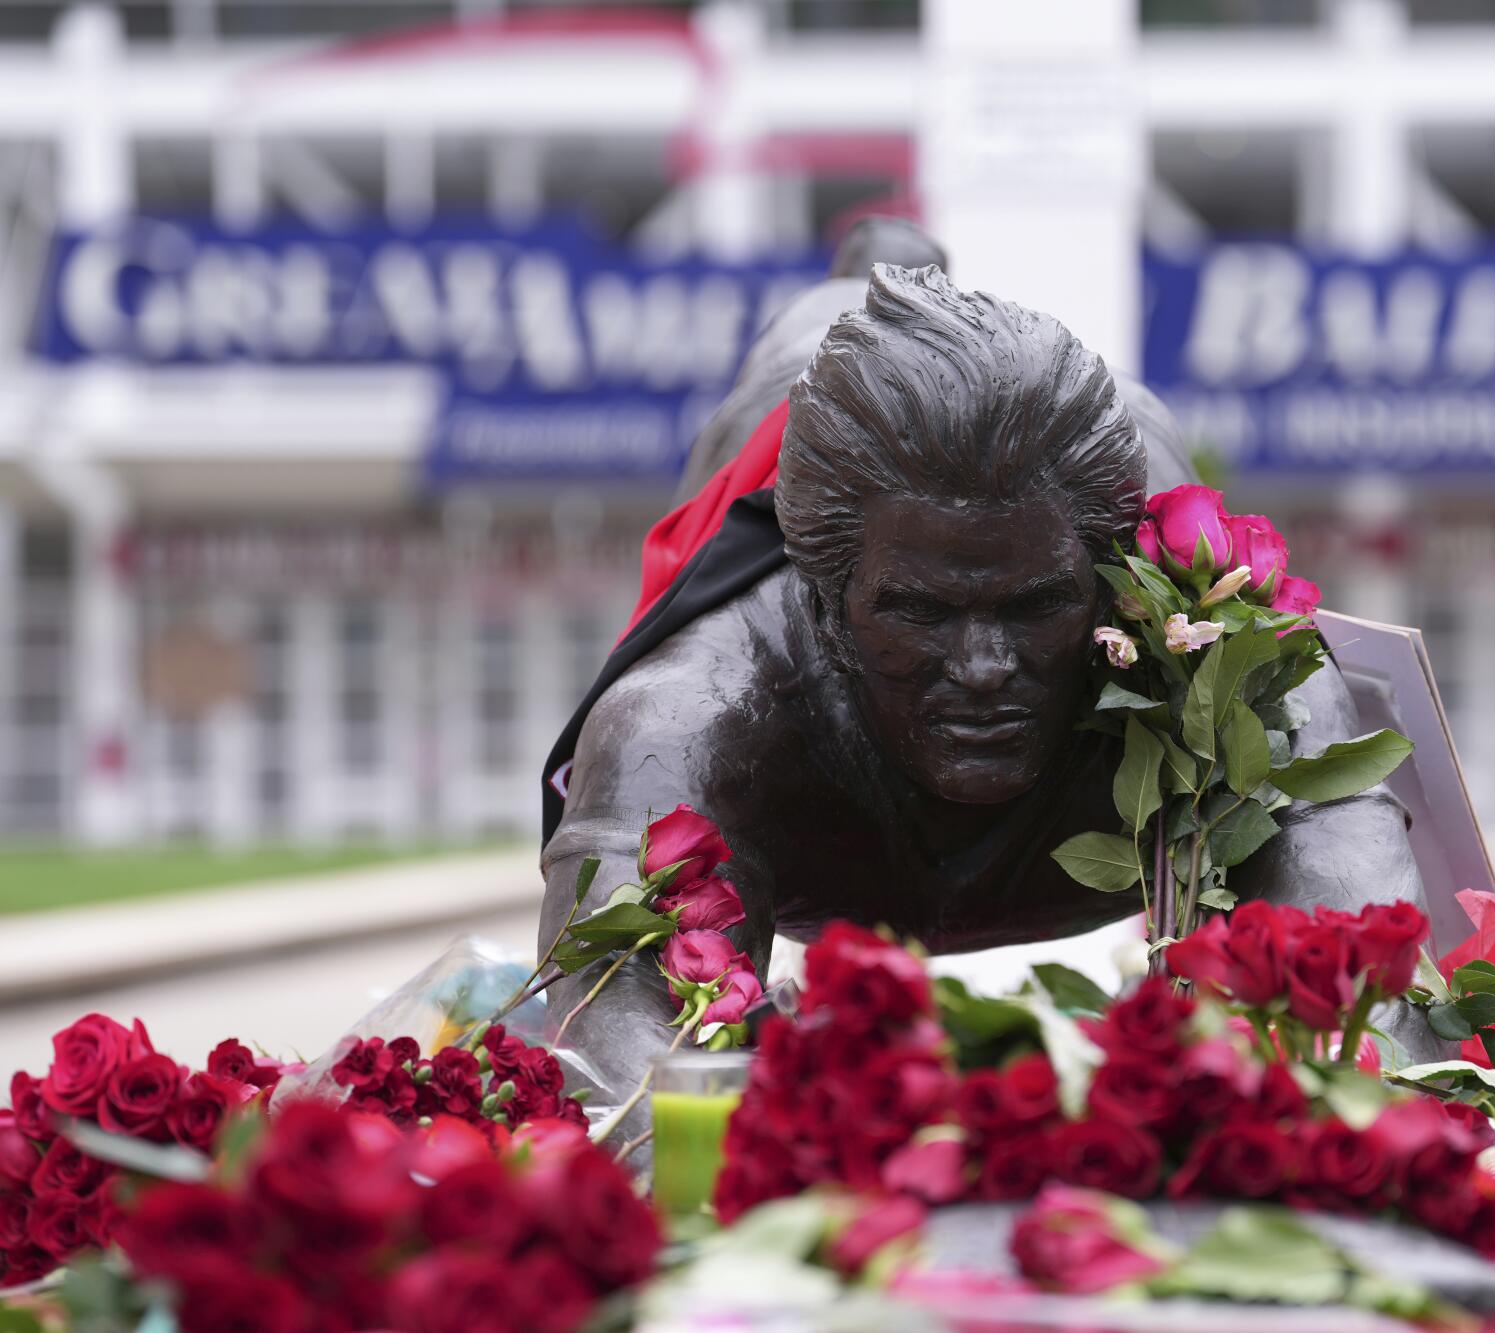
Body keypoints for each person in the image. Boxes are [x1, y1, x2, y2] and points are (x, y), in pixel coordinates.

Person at [539, 260, 1436, 1093]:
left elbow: (1376, 1033)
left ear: (1112, 584)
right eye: (919, 613)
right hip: (784, 420)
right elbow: (610, 1071)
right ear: (823, 601)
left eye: (1035, 605)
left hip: (1113, 479)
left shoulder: (1243, 680)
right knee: (807, 336)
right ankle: (874, 262)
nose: (981, 669)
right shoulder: (692, 715)